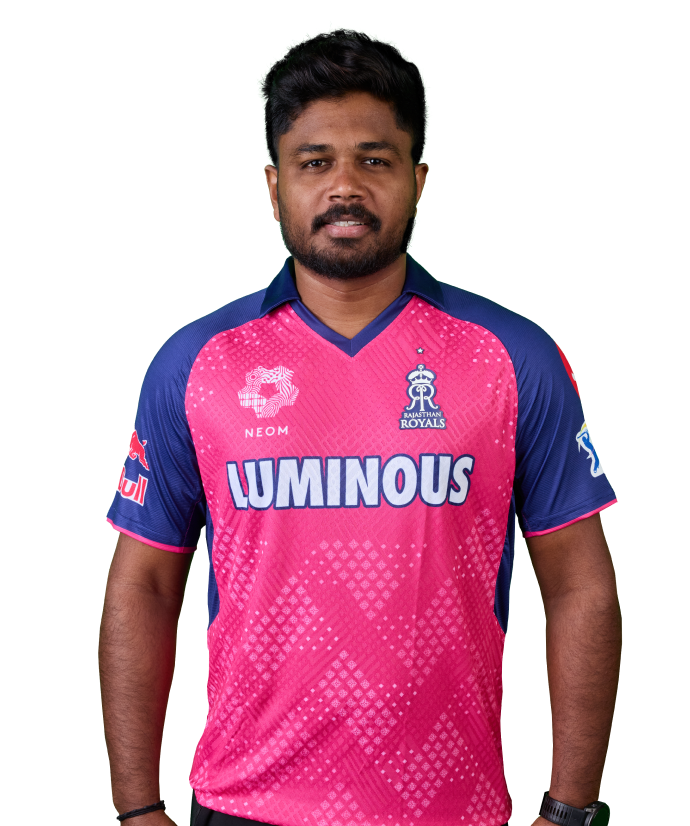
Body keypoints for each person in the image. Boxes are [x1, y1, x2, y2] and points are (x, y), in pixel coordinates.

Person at [100, 25, 621, 826]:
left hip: (453, 810)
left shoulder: (513, 356)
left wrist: (571, 809)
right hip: (242, 807)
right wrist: (137, 809)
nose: (345, 186)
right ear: (273, 185)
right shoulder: (195, 363)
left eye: (374, 160)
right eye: (315, 162)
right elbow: (144, 585)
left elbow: (580, 585)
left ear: (419, 178)